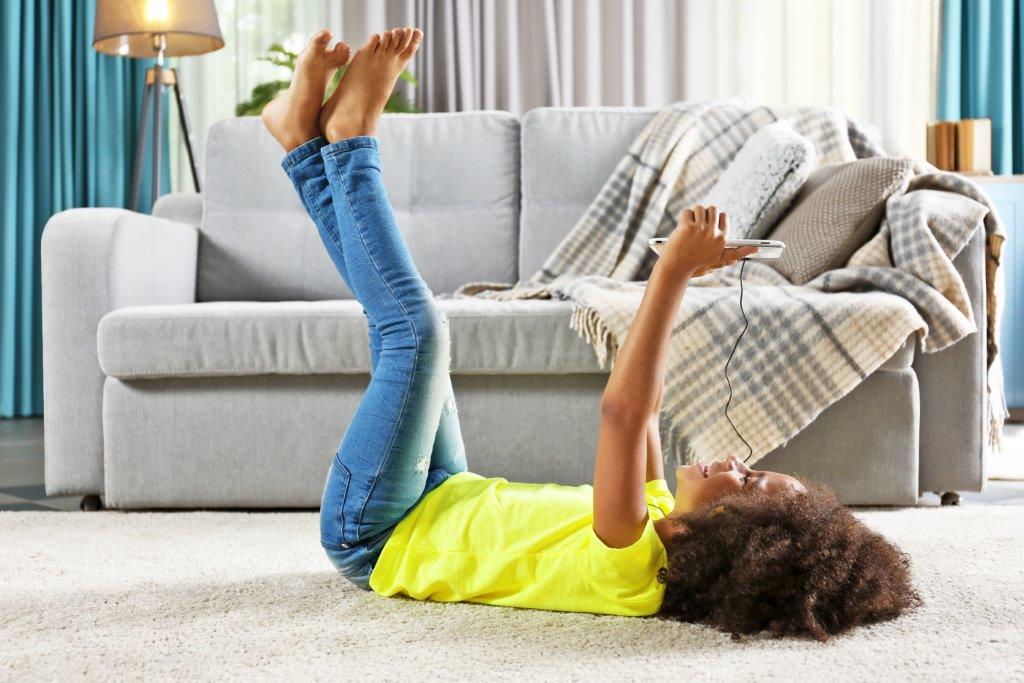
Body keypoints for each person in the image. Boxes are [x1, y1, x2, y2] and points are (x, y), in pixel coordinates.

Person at [261, 27, 920, 641]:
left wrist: (670, 270)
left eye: (746, 484)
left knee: (418, 332)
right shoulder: (659, 513)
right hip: (440, 491)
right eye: (757, 469)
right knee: (402, 330)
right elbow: (648, 403)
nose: (737, 462)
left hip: (378, 531)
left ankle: (350, 145)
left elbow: (622, 412)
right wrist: (685, 276)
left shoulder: (632, 568)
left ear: (725, 538)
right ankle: (304, 147)